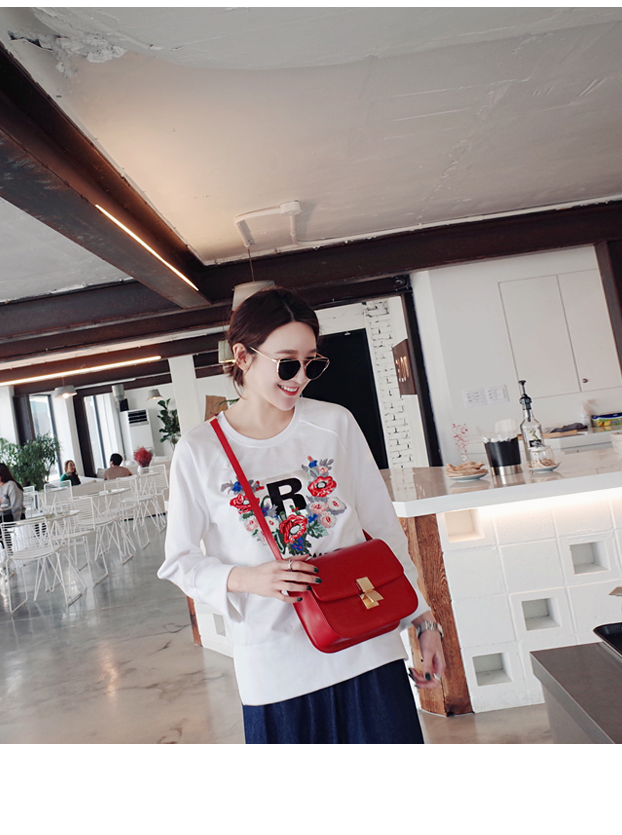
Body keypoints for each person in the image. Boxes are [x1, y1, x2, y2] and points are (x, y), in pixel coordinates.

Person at [158, 286, 444, 744]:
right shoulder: (200, 450)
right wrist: (250, 579)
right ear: (243, 356)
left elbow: (384, 531)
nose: (301, 378)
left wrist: (422, 619)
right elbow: (180, 562)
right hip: (275, 664)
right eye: (287, 363)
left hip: (367, 644)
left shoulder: (333, 423)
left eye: (312, 363)